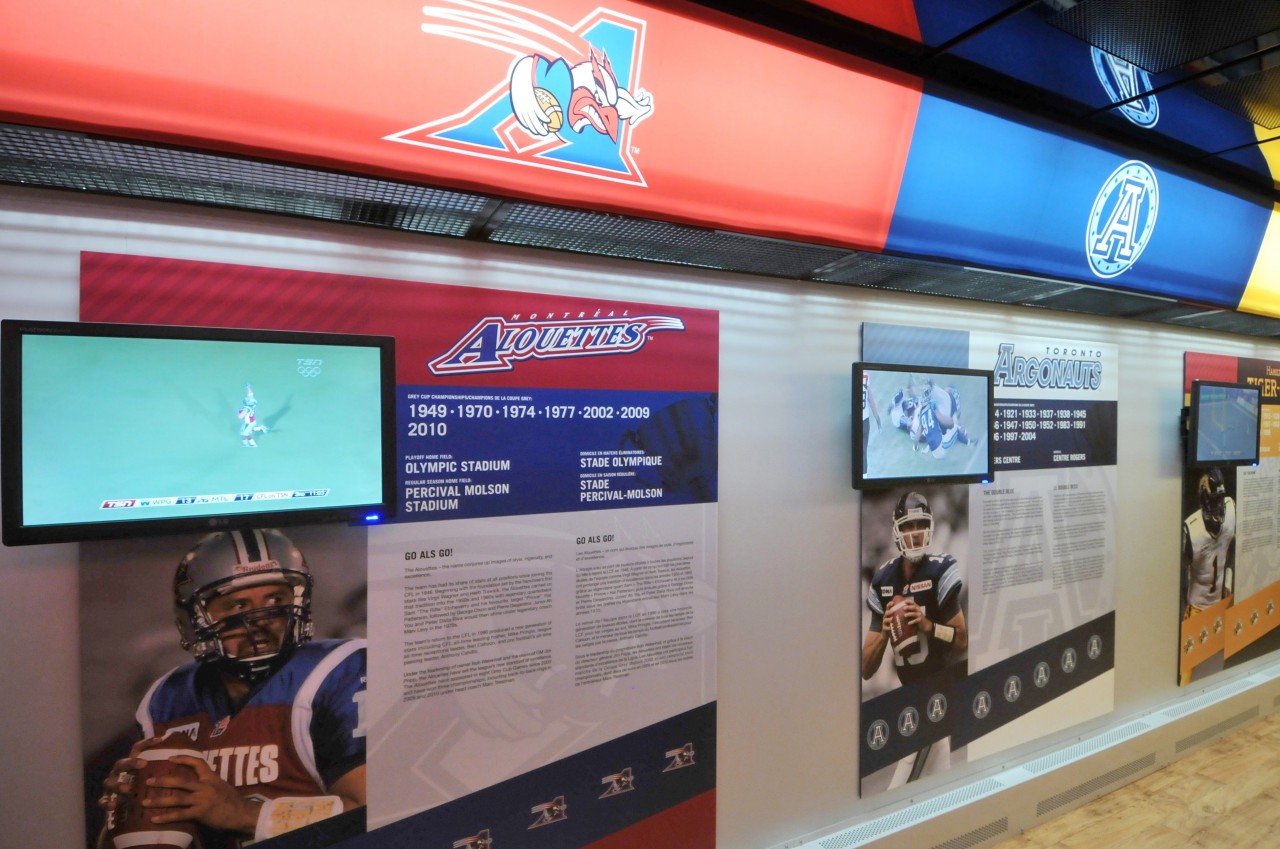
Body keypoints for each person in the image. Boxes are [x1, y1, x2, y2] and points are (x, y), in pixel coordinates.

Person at [97, 528, 366, 849]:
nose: (261, 619)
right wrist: (126, 817)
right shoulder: (166, 697)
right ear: (192, 620)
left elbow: (376, 812)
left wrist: (243, 813)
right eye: (238, 605)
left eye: (275, 599)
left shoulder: (336, 671)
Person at [862, 491, 967, 786]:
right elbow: (866, 668)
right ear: (897, 531)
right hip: (908, 696)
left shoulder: (940, 569)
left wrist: (927, 626)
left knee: (899, 791)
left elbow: (961, 640)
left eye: (920, 525)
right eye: (908, 526)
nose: (915, 533)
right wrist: (883, 631)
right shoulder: (884, 579)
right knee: (937, 790)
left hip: (931, 696)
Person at [1183, 467, 1236, 618]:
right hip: (1197, 608)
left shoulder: (1230, 509)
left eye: (1220, 499)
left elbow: (1231, 546)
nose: (1220, 505)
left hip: (1221, 603)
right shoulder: (1192, 531)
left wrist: (1228, 579)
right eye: (1214, 500)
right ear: (1205, 500)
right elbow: (1179, 578)